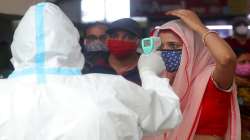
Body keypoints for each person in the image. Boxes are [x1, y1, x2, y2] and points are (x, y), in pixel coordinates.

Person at [0, 2, 182, 140]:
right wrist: (150, 73)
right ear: (73, 44)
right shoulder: (109, 88)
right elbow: (169, 115)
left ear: (18, 48)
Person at [143, 9, 240, 140]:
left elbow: (226, 59)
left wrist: (199, 27)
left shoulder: (212, 78)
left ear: (193, 47)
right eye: (161, 46)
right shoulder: (162, 81)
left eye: (173, 46)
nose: (165, 51)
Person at [85, 18, 142, 85]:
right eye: (114, 36)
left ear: (137, 42)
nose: (120, 40)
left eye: (128, 37)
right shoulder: (96, 68)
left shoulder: (147, 68)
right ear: (107, 39)